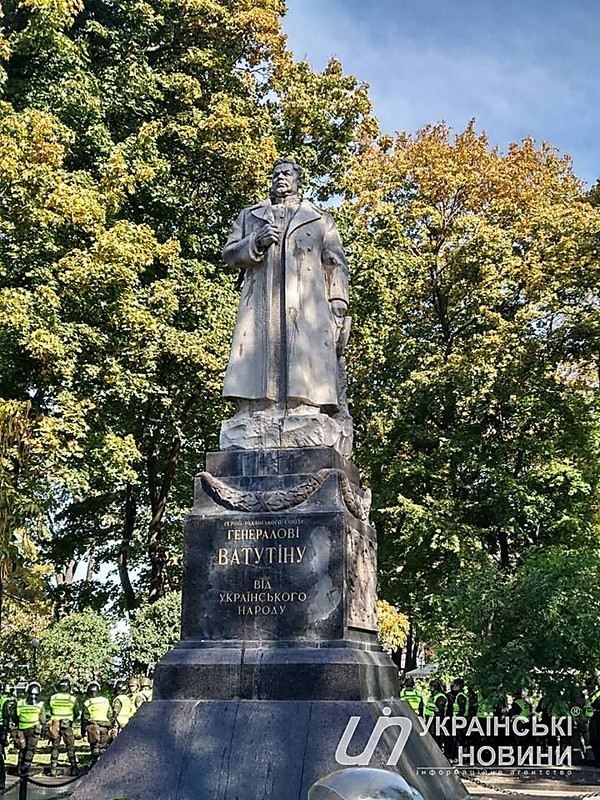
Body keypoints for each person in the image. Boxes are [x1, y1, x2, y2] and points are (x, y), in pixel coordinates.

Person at [220, 158, 352, 453]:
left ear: (298, 180)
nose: (280, 178)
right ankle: (256, 407)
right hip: (261, 302)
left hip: (307, 306)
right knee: (258, 352)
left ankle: (303, 405)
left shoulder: (320, 219)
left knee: (304, 356)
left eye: (287, 173)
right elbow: (229, 254)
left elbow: (335, 264)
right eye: (276, 173)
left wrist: (338, 304)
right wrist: (256, 241)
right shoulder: (251, 216)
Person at [47, 677, 79, 776]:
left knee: (55, 747)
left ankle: (53, 768)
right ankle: (73, 767)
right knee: (70, 747)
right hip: (67, 725)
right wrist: (71, 719)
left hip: (55, 724)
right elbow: (76, 712)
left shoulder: (53, 698)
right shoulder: (72, 699)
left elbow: (50, 710)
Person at [14, 682, 45, 776]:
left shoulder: (20, 703)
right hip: (34, 730)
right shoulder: (40, 705)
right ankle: (26, 769)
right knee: (30, 749)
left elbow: (14, 716)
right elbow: (42, 719)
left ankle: (19, 767)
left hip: (21, 729)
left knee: (22, 748)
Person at [81, 681, 113, 764]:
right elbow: (110, 714)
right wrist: (111, 725)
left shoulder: (88, 703)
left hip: (93, 727)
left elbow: (84, 717)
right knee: (103, 747)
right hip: (104, 727)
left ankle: (94, 764)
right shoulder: (105, 701)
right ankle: (103, 765)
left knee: (94, 746)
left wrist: (83, 731)